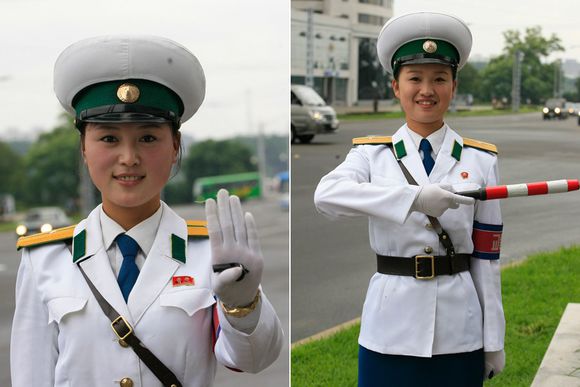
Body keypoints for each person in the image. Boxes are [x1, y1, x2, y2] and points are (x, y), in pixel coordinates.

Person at [11, 35, 283, 387]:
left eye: (148, 138)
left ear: (174, 147)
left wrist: (242, 306)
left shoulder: (211, 254)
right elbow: (30, 376)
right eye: (109, 138)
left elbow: (255, 359)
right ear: (83, 148)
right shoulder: (44, 259)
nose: (129, 157)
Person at [314, 12, 505, 387]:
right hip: (390, 326)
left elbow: (487, 258)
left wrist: (493, 338)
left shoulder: (481, 160)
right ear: (395, 87)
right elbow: (327, 196)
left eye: (439, 79)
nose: (426, 90)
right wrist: (414, 198)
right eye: (414, 78)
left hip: (459, 327)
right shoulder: (371, 155)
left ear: (454, 85)